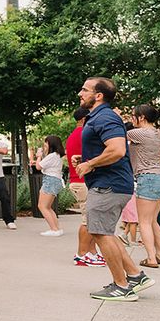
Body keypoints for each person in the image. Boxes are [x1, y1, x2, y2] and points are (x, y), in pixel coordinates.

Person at [72, 77, 155, 301]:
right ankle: (136, 276)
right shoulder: (98, 117)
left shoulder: (105, 116)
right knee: (105, 232)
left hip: (108, 184)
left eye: (84, 90)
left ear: (98, 96)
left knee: (99, 233)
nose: (80, 93)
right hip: (109, 183)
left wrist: (90, 164)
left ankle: (121, 286)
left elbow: (117, 150)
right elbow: (109, 149)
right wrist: (88, 158)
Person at [127, 105, 160, 269]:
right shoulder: (157, 133)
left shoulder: (138, 133)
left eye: (133, 116)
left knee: (144, 222)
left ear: (142, 117)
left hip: (148, 178)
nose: (131, 119)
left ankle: (151, 258)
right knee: (152, 220)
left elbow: (119, 131)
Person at [66, 107, 104, 266]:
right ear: (84, 119)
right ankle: (82, 254)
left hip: (79, 181)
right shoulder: (84, 134)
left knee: (91, 220)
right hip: (82, 182)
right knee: (87, 220)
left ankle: (92, 252)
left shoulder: (75, 135)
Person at [34, 136, 66, 237]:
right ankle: (56, 228)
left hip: (50, 180)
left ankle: (54, 229)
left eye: (46, 143)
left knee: (42, 206)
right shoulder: (57, 155)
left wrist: (38, 156)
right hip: (55, 180)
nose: (45, 145)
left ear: (51, 144)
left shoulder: (52, 155)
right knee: (48, 207)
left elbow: (38, 167)